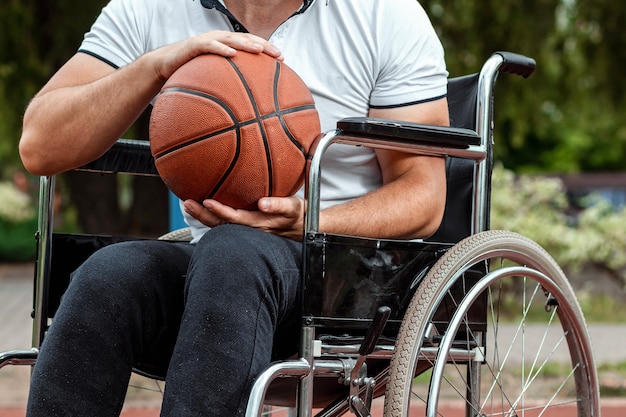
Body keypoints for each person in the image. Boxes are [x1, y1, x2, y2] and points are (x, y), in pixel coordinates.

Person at [18, 0, 449, 415]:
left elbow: (423, 195)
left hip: (344, 272)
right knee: (107, 274)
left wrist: (309, 220)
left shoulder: (385, 13)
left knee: (233, 254)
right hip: (215, 268)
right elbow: (40, 146)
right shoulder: (147, 8)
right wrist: (154, 67)